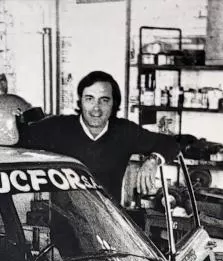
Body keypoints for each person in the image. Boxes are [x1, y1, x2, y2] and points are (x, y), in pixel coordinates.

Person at [19, 70, 181, 204]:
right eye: (89, 99)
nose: (96, 108)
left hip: (108, 225)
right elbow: (16, 138)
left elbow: (171, 143)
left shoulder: (124, 131)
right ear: (81, 101)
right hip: (66, 228)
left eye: (104, 100)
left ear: (113, 104)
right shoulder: (58, 127)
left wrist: (152, 161)